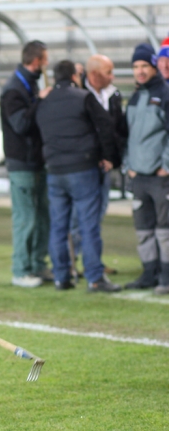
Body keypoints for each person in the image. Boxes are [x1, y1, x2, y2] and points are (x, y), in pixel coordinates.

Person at [35, 60, 121, 293]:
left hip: (55, 172)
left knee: (58, 227)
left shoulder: (44, 102)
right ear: (74, 75)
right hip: (83, 169)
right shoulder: (83, 97)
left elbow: (36, 129)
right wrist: (107, 156)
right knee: (88, 226)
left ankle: (61, 277)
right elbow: (104, 127)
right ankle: (95, 278)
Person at [68, 54, 128, 278]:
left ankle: (92, 262)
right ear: (93, 74)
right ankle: (72, 263)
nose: (113, 76)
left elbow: (117, 130)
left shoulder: (114, 95)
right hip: (84, 167)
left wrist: (113, 157)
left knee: (96, 217)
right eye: (108, 72)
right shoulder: (79, 96)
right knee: (78, 218)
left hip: (105, 166)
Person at [0, 40, 53, 288]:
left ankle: (37, 265)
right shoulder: (13, 90)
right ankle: (20, 270)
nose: (47, 65)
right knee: (26, 219)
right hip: (21, 163)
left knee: (42, 218)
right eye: (45, 60)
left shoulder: (29, 85)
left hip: (36, 162)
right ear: (37, 61)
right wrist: (40, 101)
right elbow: (20, 124)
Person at [123, 43, 169, 295]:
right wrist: (129, 166)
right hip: (138, 176)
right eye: (135, 67)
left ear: (153, 67)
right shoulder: (135, 97)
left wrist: (166, 166)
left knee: (165, 230)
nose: (140, 71)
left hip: (160, 177)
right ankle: (148, 273)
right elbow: (127, 136)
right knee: (143, 228)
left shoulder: (165, 94)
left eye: (144, 66)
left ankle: (166, 276)